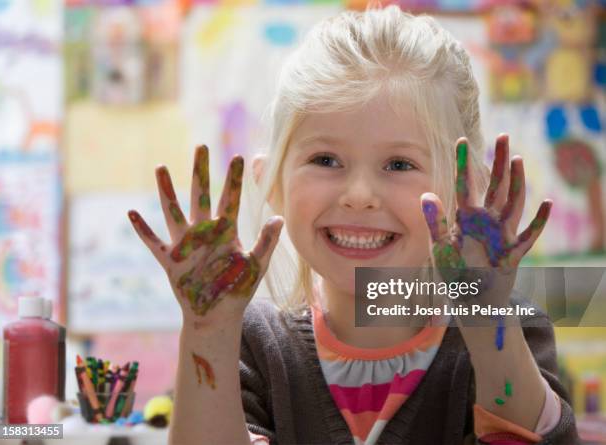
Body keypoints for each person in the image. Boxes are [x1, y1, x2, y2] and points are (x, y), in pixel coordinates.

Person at [128, 6, 578, 445]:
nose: (359, 194)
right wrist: (208, 333)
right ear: (273, 182)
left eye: (399, 164)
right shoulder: (250, 343)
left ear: (466, 188)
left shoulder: (506, 327)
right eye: (325, 160)